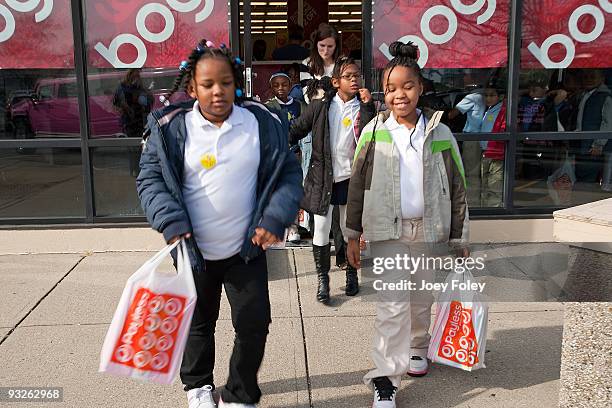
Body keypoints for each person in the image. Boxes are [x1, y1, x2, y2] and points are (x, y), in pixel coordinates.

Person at [136, 39, 303, 408]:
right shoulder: (171, 128)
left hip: (246, 248)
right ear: (192, 87)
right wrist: (170, 220)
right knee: (198, 323)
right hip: (193, 250)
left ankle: (239, 393)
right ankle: (198, 386)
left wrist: (275, 217)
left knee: (254, 322)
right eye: (208, 84)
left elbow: (289, 174)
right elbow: (150, 180)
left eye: (225, 83)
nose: (217, 92)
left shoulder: (260, 122)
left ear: (236, 83)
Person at [345, 41, 469, 407]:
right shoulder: (373, 131)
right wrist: (352, 234)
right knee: (392, 303)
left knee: (420, 298)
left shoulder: (440, 133)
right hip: (387, 232)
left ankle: (418, 346)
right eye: (391, 88)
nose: (399, 95)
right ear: (384, 93)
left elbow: (458, 185)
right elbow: (356, 185)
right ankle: (385, 377)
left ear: (421, 88)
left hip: (429, 232)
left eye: (407, 86)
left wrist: (460, 236)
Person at [289, 56, 376, 303]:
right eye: (348, 76)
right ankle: (323, 281)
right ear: (336, 82)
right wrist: (278, 146)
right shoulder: (320, 107)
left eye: (356, 76)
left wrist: (369, 106)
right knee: (322, 230)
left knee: (350, 231)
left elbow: (371, 138)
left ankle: (351, 275)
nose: (354, 80)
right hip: (322, 178)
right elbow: (297, 129)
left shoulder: (363, 106)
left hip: (351, 178)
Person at [265, 71, 307, 243]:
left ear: (290, 86)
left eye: (284, 85)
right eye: (276, 85)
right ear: (271, 87)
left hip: (298, 153)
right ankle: (286, 226)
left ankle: (296, 226)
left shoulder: (300, 105)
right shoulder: (269, 106)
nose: (280, 88)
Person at [448, 80, 485, 207]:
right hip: (483, 137)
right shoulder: (485, 96)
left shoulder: (473, 97)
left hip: (472, 137)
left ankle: (471, 202)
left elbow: (452, 114)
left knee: (470, 172)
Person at [113, 69, 154, 176]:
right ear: (130, 75)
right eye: (135, 76)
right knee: (132, 148)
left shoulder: (140, 88)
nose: (137, 78)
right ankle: (135, 169)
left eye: (138, 76)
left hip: (140, 121)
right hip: (130, 121)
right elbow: (117, 103)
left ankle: (139, 169)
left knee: (141, 147)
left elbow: (148, 103)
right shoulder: (123, 87)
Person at [480, 78, 507, 207]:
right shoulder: (488, 109)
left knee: (494, 184)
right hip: (486, 151)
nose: (488, 98)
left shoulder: (503, 111)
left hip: (496, 152)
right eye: (486, 95)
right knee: (485, 183)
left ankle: (493, 209)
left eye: (492, 95)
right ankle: (485, 208)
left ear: (500, 96)